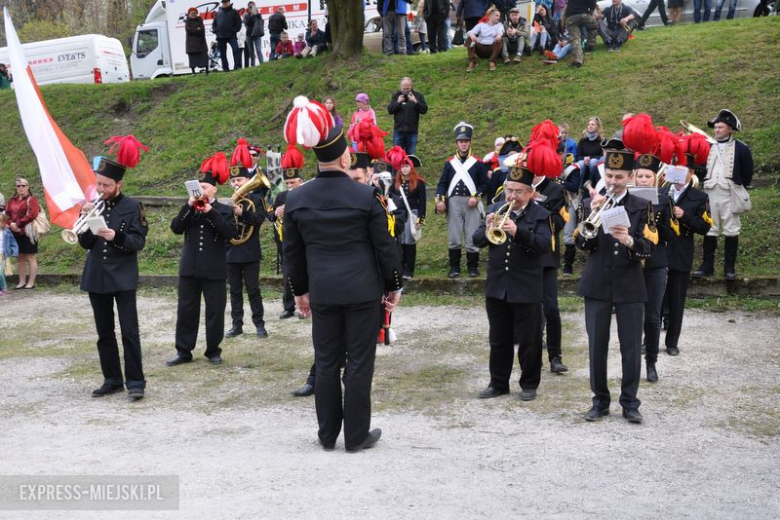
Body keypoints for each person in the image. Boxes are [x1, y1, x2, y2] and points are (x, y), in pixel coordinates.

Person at [282, 97, 402, 452]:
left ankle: (326, 434)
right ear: (346, 158)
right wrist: (393, 284)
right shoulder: (366, 196)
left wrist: (299, 291)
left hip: (322, 291)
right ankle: (356, 436)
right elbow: (385, 247)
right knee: (359, 363)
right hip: (362, 291)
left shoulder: (297, 199)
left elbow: (293, 252)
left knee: (327, 361)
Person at [576, 140, 656, 424]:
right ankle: (599, 401)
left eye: (619, 177)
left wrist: (630, 240)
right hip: (597, 283)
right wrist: (590, 215)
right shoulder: (589, 203)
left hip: (630, 284)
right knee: (597, 346)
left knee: (631, 347)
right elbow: (580, 245)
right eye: (609, 176)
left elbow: (650, 247)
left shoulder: (643, 205)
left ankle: (630, 402)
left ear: (631, 177)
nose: (613, 181)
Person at [473, 161, 553, 401]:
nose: (512, 195)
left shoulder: (542, 214)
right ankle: (498, 383)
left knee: (529, 339)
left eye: (518, 191)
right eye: (509, 189)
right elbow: (477, 240)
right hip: (498, 285)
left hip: (526, 286)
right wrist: (487, 227)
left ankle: (529, 383)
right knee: (499, 338)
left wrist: (518, 232)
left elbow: (544, 246)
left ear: (530, 192)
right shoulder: (496, 207)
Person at [78, 141, 149, 400]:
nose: (101, 189)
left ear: (119, 185)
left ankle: (136, 382)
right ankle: (112, 379)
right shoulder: (94, 205)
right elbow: (85, 243)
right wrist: (82, 218)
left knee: (129, 332)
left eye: (106, 185)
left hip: (123, 277)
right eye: (98, 184)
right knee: (104, 333)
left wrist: (115, 236)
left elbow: (137, 242)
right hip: (97, 277)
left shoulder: (133, 207)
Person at [167, 154, 237, 367]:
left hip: (214, 268)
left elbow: (230, 232)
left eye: (205, 187)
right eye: (198, 188)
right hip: (190, 268)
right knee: (186, 310)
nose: (202, 191)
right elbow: (176, 228)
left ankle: (213, 350)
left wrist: (210, 211)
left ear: (214, 189)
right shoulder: (190, 209)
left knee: (215, 311)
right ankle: (184, 350)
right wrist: (189, 206)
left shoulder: (224, 210)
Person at [694, 109, 753, 281]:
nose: (717, 130)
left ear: (730, 129)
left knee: (731, 229)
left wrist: (737, 186)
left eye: (720, 127)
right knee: (710, 229)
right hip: (711, 193)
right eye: (716, 127)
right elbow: (699, 167)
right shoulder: (707, 146)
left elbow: (747, 172)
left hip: (730, 193)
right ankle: (707, 266)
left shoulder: (741, 148)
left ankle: (729, 267)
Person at [664, 149, 712, 357]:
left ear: (691, 172)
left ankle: (672, 342)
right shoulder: (661, 191)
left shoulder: (699, 197)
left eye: (682, 169)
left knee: (676, 300)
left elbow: (704, 227)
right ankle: (648, 340)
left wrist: (684, 216)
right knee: (654, 300)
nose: (677, 173)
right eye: (674, 168)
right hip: (658, 251)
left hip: (681, 252)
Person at [633, 152, 675, 381]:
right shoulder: (628, 198)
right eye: (639, 176)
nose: (643, 180)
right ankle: (631, 365)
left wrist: (654, 223)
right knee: (631, 315)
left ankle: (651, 361)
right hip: (631, 264)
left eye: (647, 176)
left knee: (651, 316)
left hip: (656, 264)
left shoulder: (665, 199)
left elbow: (670, 235)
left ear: (655, 179)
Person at [436, 122, 488, 278]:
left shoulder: (478, 163)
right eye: (461, 141)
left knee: (472, 235)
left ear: (470, 142)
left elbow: (484, 184)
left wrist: (476, 197)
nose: (463, 144)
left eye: (466, 141)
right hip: (454, 203)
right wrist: (439, 200)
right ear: (457, 143)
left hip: (471, 203)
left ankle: (473, 267)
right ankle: (454, 267)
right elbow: (442, 184)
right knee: (454, 236)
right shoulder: (449, 163)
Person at [531, 158, 569, 374]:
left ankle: (555, 356)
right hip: (524, 257)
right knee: (530, 311)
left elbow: (560, 222)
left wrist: (537, 204)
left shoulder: (555, 189)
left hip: (546, 256)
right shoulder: (519, 185)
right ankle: (533, 356)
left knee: (551, 309)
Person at [225, 163, 269, 339]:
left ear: (247, 181)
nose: (236, 184)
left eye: (239, 180)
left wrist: (242, 213)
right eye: (233, 181)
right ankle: (237, 325)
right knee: (235, 291)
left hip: (250, 252)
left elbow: (259, 220)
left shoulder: (256, 200)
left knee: (253, 290)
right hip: (230, 252)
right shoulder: (228, 201)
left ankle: (259, 325)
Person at [389, 154, 426, 279]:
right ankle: (401, 267)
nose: (404, 169)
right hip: (399, 215)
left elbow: (422, 203)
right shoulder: (395, 183)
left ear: (411, 168)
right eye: (402, 167)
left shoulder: (419, 183)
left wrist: (420, 219)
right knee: (400, 241)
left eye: (407, 166)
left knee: (410, 242)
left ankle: (409, 269)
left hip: (412, 214)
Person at [6, 178, 40, 289]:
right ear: (16, 188)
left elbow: (32, 214)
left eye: (23, 185)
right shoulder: (12, 200)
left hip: (28, 232)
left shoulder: (32, 199)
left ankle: (31, 282)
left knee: (30, 257)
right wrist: (11, 224)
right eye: (18, 186)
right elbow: (7, 215)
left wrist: (18, 224)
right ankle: (21, 282)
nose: (21, 187)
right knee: (20, 257)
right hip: (15, 233)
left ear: (28, 187)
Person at [387, 77, 428, 155]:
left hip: (412, 131)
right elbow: (390, 110)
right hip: (398, 130)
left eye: (407, 89)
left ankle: (410, 167)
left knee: (411, 155)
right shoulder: (396, 96)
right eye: (404, 89)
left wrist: (415, 101)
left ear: (411, 86)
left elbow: (424, 110)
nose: (405, 90)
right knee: (397, 155)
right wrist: (398, 102)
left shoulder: (417, 96)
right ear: (400, 86)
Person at [466, 7, 504, 73]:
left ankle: (492, 61)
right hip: (481, 49)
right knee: (470, 38)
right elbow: (470, 32)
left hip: (493, 49)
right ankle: (473, 61)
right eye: (497, 15)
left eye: (499, 16)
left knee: (500, 39)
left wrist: (499, 35)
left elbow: (501, 32)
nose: (499, 17)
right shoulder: (481, 25)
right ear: (490, 16)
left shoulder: (499, 25)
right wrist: (472, 35)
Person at [564, 0, 598, 67]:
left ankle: (578, 60)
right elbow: (593, 3)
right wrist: (590, 13)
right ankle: (590, 44)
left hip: (570, 17)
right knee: (594, 25)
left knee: (575, 39)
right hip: (583, 15)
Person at [577, 117, 605, 194]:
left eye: (593, 124)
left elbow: (603, 156)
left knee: (593, 161)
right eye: (589, 124)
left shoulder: (602, 141)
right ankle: (579, 186)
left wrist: (590, 158)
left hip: (596, 162)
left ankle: (593, 183)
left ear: (598, 127)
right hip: (584, 162)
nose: (590, 126)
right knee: (580, 163)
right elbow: (578, 156)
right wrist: (584, 158)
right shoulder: (583, 140)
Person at [212, 0, 242, 71]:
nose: (224, 3)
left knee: (236, 50)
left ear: (229, 2)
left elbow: (238, 23)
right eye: (223, 2)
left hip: (231, 36)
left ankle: (237, 67)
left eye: (226, 2)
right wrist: (215, 31)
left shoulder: (234, 12)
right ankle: (225, 69)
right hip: (220, 36)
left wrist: (234, 30)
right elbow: (214, 24)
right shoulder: (218, 13)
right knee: (223, 54)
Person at [185, 8, 209, 74]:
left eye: (194, 13)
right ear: (189, 14)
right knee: (192, 59)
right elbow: (188, 31)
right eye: (192, 13)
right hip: (191, 44)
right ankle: (193, 72)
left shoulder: (200, 20)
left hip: (201, 43)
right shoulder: (187, 21)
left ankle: (207, 71)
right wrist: (197, 29)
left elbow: (202, 31)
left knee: (204, 57)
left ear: (196, 14)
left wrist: (193, 30)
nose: (193, 14)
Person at [0, 214, 19, 296]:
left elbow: (13, 243)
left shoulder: (6, 232)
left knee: (0, 272)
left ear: (3, 223)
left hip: (3, 255)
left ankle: (4, 288)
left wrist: (15, 252)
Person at [243, 2, 265, 66]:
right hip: (249, 35)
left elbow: (260, 23)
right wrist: (251, 15)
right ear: (248, 8)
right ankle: (253, 65)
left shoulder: (258, 15)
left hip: (257, 35)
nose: (252, 8)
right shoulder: (246, 16)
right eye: (250, 7)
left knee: (258, 50)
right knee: (251, 52)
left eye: (253, 7)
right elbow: (247, 23)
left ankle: (262, 64)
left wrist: (256, 14)